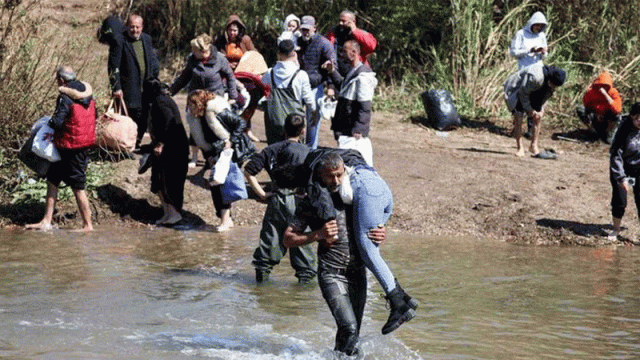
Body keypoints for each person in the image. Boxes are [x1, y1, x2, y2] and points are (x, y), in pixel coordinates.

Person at [283, 152, 416, 355]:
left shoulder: (357, 196)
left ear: (344, 170)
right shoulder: (313, 201)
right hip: (332, 273)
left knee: (352, 334)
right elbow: (288, 239)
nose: (335, 180)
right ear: (320, 174)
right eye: (330, 176)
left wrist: (381, 229)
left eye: (339, 174)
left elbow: (374, 218)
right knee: (349, 328)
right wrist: (318, 234)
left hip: (357, 274)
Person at [244, 114, 317, 284]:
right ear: (303, 131)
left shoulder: (272, 149)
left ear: (284, 130)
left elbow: (248, 171)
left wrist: (261, 194)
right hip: (300, 201)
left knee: (267, 251)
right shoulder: (309, 153)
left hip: (277, 200)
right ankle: (301, 300)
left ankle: (261, 288)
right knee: (303, 256)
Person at [26, 66, 96, 231]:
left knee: (78, 186)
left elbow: (57, 122)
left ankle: (88, 225)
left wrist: (47, 122)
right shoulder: (89, 94)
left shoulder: (65, 97)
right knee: (52, 178)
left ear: (61, 80)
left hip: (70, 146)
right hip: (78, 144)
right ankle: (46, 220)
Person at [186, 89, 255, 231]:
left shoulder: (216, 110)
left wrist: (231, 140)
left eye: (192, 104)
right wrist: (209, 157)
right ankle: (226, 219)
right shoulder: (196, 118)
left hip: (231, 150)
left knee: (221, 184)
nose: (189, 108)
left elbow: (241, 124)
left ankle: (225, 221)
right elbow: (202, 142)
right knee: (215, 183)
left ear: (200, 104)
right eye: (189, 105)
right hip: (216, 151)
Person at [170, 33, 240, 167]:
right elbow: (184, 77)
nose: (192, 52)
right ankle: (194, 158)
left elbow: (230, 77)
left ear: (203, 51)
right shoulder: (192, 59)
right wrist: (171, 91)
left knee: (213, 128)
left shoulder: (219, 59)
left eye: (194, 50)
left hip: (214, 99)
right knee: (195, 127)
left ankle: (215, 157)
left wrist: (232, 97)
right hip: (196, 98)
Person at [109, 14, 160, 150]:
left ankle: (136, 142)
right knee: (130, 115)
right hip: (128, 87)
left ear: (142, 27)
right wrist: (116, 87)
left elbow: (152, 59)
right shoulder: (119, 40)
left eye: (137, 27)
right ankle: (126, 145)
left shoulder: (147, 39)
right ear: (127, 26)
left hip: (146, 86)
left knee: (145, 114)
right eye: (132, 26)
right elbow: (113, 67)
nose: (135, 30)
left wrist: (155, 75)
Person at [143, 80, 189, 225]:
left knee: (168, 181)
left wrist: (160, 143)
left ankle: (174, 214)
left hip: (173, 148)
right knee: (160, 181)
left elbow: (169, 125)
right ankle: (168, 214)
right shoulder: (162, 100)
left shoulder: (161, 103)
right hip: (171, 146)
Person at [324, 40, 377, 165]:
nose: (341, 54)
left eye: (344, 51)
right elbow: (343, 85)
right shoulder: (353, 71)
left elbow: (365, 106)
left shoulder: (363, 76)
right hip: (345, 125)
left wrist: (359, 128)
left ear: (353, 53)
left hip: (352, 129)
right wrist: (332, 71)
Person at [504, 63, 566, 158]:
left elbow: (546, 96)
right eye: (553, 85)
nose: (554, 87)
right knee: (519, 115)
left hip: (533, 90)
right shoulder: (536, 77)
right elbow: (523, 94)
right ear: (550, 80)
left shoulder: (553, 81)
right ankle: (520, 148)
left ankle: (533, 145)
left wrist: (540, 109)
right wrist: (530, 110)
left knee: (537, 116)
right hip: (518, 89)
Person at [261, 39, 315, 145]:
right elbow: (310, 102)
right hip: (295, 125)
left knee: (274, 156)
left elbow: (266, 95)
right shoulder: (300, 75)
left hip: (274, 124)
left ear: (279, 54)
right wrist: (313, 117)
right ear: (294, 53)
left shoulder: (268, 73)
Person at [297, 15, 336, 149]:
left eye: (308, 29)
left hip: (315, 86)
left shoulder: (324, 43)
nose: (305, 32)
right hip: (298, 85)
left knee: (313, 120)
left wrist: (330, 87)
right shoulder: (297, 42)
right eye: (303, 30)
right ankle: (298, 148)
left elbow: (331, 67)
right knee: (295, 117)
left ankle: (311, 149)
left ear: (314, 28)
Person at [510, 11, 548, 139]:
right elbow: (513, 52)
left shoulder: (542, 35)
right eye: (536, 25)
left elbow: (545, 53)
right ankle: (516, 127)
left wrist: (542, 52)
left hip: (537, 70)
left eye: (541, 26)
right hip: (524, 70)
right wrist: (529, 51)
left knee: (535, 99)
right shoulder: (521, 34)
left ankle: (531, 129)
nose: (538, 28)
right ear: (531, 23)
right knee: (520, 98)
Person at [608, 103, 640, 243]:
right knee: (620, 199)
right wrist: (622, 179)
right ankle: (616, 229)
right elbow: (615, 156)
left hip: (637, 170)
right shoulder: (623, 130)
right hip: (621, 169)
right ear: (632, 116)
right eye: (639, 119)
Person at [325, 10, 377, 77]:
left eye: (344, 21)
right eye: (340, 20)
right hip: (338, 72)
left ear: (353, 22)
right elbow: (325, 46)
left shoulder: (360, 34)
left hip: (357, 71)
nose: (340, 23)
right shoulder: (333, 33)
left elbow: (371, 46)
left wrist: (355, 31)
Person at [578, 71, 623, 144]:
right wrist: (597, 113)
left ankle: (609, 134)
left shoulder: (613, 93)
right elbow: (586, 105)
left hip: (608, 119)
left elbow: (617, 109)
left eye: (605, 86)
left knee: (617, 116)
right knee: (581, 109)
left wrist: (606, 95)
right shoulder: (591, 92)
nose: (602, 87)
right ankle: (593, 131)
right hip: (596, 118)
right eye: (600, 85)